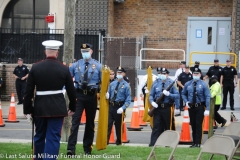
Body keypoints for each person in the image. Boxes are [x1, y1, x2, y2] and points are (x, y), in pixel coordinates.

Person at [23, 40, 76, 159]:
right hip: (57, 108)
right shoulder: (63, 68)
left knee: (40, 135)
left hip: (40, 108)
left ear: (45, 52)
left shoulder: (35, 67)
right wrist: (72, 107)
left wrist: (28, 109)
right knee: (53, 137)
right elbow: (71, 91)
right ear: (57, 53)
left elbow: (28, 91)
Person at [67, 43, 102, 155]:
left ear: (91, 51)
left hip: (92, 96)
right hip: (79, 95)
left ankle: (87, 148)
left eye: (87, 51)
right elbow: (67, 78)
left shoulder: (98, 66)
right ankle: (71, 149)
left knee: (90, 123)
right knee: (75, 122)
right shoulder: (75, 65)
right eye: (83, 52)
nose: (85, 53)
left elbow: (103, 82)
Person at [149, 67, 180, 146]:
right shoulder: (155, 83)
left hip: (167, 107)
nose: (162, 75)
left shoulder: (171, 83)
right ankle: (153, 143)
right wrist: (152, 102)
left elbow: (177, 95)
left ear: (167, 75)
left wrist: (169, 94)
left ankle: (167, 143)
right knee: (156, 126)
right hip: (157, 108)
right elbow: (151, 95)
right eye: (161, 74)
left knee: (167, 126)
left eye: (164, 74)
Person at [182, 68, 211, 148]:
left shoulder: (204, 84)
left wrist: (208, 109)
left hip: (200, 107)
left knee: (198, 125)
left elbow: (208, 96)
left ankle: (198, 142)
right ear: (192, 74)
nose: (196, 75)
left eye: (197, 74)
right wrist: (186, 101)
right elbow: (183, 93)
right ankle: (194, 142)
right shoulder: (188, 84)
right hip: (191, 107)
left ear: (200, 75)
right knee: (193, 125)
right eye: (194, 74)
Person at [106, 66, 131, 145]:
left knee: (118, 126)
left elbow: (128, 99)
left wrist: (123, 108)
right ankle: (105, 142)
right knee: (108, 125)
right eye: (118, 73)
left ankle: (119, 142)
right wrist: (107, 96)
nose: (119, 74)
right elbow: (109, 94)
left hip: (119, 107)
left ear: (123, 74)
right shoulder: (112, 84)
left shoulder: (126, 85)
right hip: (111, 106)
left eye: (120, 73)